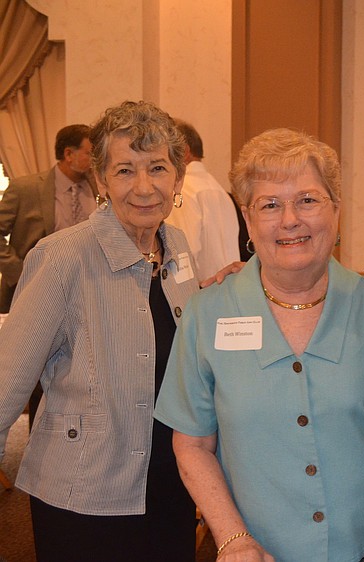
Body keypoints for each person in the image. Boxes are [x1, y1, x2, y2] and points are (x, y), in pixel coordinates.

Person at [155, 128, 364, 562]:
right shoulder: (208, 312)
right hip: (255, 553)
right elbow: (192, 445)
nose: (290, 220)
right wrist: (232, 538)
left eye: (308, 200)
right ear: (247, 217)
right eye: (270, 205)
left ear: (336, 209)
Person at [0, 100, 198, 562]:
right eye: (125, 170)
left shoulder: (178, 247)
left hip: (169, 484)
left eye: (158, 168)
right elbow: (6, 381)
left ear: (179, 178)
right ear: (101, 180)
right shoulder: (61, 258)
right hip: (85, 492)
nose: (145, 187)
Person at [0, 124, 97, 428]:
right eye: (89, 153)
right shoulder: (26, 187)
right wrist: (17, 271)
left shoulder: (98, 186)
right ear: (69, 154)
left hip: (87, 293)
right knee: (31, 370)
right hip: (37, 292)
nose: (94, 161)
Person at [165, 119, 241, 280]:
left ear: (184, 151)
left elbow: (183, 253)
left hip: (201, 290)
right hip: (230, 286)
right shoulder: (218, 189)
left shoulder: (184, 189)